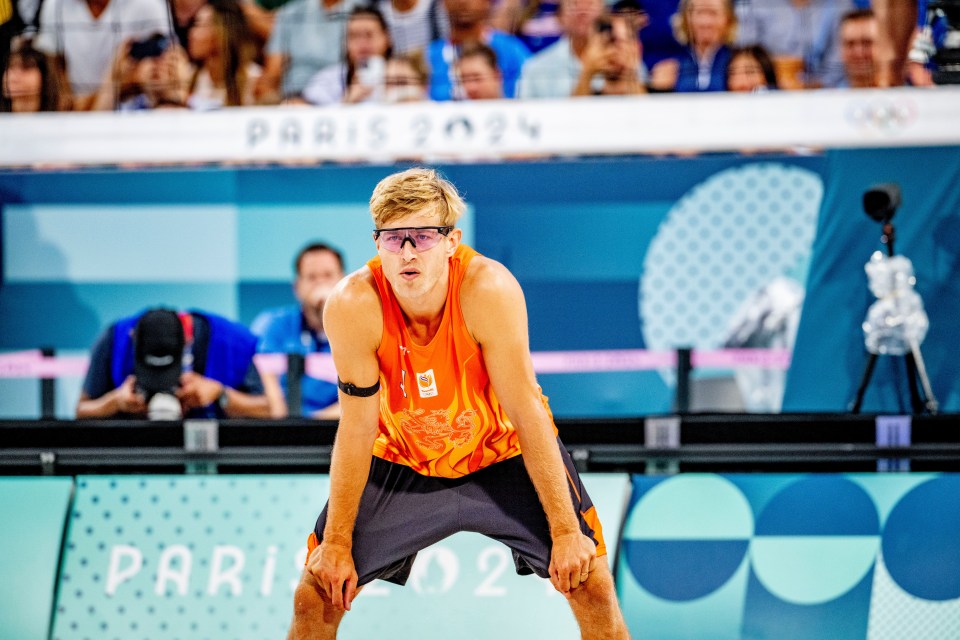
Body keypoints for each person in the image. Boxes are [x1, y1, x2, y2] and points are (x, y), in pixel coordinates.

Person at [287, 168, 630, 639]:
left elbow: (527, 413)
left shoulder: (488, 289)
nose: (407, 252)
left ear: (452, 242)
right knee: (315, 595)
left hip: (500, 454)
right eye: (394, 239)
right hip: (402, 460)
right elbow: (357, 427)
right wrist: (338, 543)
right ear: (376, 243)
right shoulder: (352, 304)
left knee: (591, 583)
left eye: (423, 237)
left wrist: (568, 533)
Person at [77, 307, 276, 419]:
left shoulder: (231, 342)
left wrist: (220, 395)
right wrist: (115, 402)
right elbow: (81, 411)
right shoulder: (115, 340)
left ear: (188, 341)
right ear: (133, 340)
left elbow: (270, 410)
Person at [251, 243, 346, 419]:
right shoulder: (273, 324)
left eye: (328, 275)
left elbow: (370, 401)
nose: (320, 283)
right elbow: (271, 398)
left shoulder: (362, 327)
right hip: (283, 432)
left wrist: (311, 426)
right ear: (297, 287)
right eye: (311, 277)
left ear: (345, 282)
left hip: (340, 431)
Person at [34, 0, 172, 110]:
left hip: (133, 117)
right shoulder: (54, 5)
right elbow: (59, 98)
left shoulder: (149, 6)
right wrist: (115, 84)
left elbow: (164, 81)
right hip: (73, 123)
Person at [257, 0, 363, 102]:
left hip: (345, 98)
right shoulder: (291, 12)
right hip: (295, 99)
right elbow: (273, 72)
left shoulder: (363, 13)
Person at [735, 0, 854, 89]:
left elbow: (840, 63)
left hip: (824, 93)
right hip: (766, 90)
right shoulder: (756, 4)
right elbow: (746, 53)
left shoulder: (839, 5)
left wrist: (808, 85)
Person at [426, 0, 530, 100]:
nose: (462, 1)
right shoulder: (428, 57)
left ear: (488, 2)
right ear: (442, 2)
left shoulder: (513, 50)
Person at [301, 5, 393, 105]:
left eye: (369, 35)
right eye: (354, 36)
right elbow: (312, 114)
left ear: (387, 38)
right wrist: (346, 102)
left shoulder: (403, 75)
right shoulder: (327, 80)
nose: (362, 44)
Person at [186, 0, 262, 109]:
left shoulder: (254, 81)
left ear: (221, 33)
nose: (191, 34)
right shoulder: (189, 77)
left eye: (199, 25)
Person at [649, 0, 735, 92]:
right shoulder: (672, 64)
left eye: (713, 13)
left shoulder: (737, 63)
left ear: (728, 19)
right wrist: (660, 89)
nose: (705, 22)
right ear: (686, 19)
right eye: (699, 13)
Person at [572, 12, 646, 96]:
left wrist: (631, 73)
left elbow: (645, 108)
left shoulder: (656, 87)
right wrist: (587, 72)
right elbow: (575, 108)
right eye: (606, 43)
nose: (612, 50)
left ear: (636, 46)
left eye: (618, 41)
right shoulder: (587, 91)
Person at [1, 37, 65, 112]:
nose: (14, 75)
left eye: (26, 67)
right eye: (11, 66)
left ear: (45, 76)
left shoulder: (68, 118)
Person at [376, 0, 449, 55]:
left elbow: (445, 43)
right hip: (396, 70)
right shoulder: (380, 9)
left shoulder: (434, 6)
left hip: (430, 68)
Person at [838, 8, 878, 89]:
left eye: (867, 43)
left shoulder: (905, 94)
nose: (859, 53)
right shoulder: (826, 98)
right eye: (850, 44)